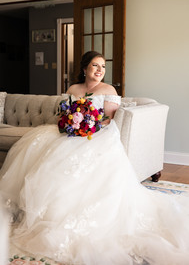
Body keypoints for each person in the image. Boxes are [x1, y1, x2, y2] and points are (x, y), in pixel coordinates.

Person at [0, 51, 189, 265]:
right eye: (95, 65)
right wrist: (72, 125)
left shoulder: (109, 90)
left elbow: (108, 120)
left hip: (99, 134)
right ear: (84, 69)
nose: (100, 70)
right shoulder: (73, 89)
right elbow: (65, 114)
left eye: (103, 66)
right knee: (40, 147)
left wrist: (86, 127)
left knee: (78, 159)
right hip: (73, 132)